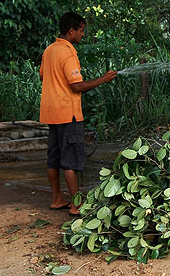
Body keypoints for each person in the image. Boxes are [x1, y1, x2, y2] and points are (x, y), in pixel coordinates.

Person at [39, 12, 117, 216]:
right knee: (71, 160)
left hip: (51, 113)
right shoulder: (68, 52)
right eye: (81, 30)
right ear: (71, 30)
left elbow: (43, 77)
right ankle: (76, 204)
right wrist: (103, 79)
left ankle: (57, 199)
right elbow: (77, 86)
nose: (83, 35)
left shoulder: (49, 51)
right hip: (68, 114)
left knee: (53, 158)